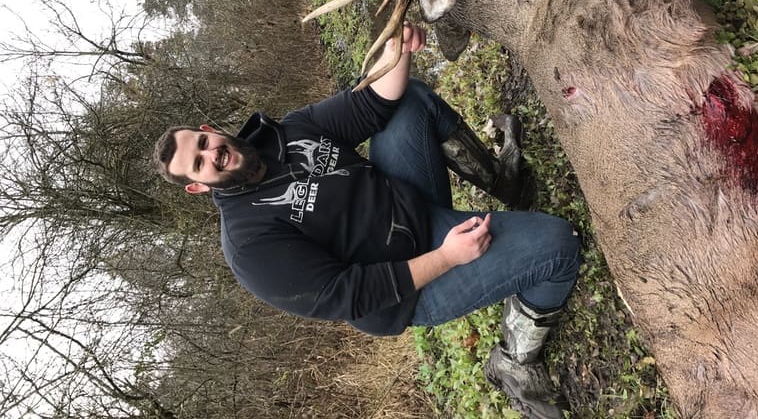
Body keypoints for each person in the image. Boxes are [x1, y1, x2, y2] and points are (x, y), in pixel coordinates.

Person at [153, 24, 582, 418]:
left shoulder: (285, 132)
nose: (212, 154)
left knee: (409, 98)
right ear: (198, 186)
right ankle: (514, 361)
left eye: (203, 142)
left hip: (408, 202)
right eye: (199, 163)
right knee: (559, 246)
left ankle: (507, 184)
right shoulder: (248, 246)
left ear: (209, 129)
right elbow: (350, 295)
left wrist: (398, 51)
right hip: (411, 283)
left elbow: (367, 105)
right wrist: (448, 257)